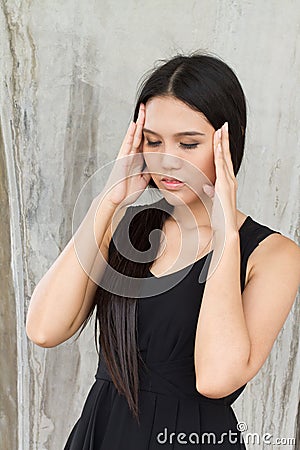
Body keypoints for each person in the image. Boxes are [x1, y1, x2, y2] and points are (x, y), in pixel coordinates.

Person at [26, 51, 300, 449]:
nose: (168, 162)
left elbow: (215, 379)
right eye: (153, 142)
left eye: (188, 144)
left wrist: (224, 230)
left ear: (230, 139)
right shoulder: (128, 229)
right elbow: (45, 329)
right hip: (102, 434)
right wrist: (108, 201)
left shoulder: (273, 255)